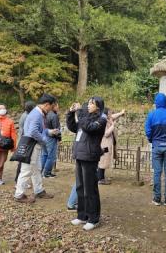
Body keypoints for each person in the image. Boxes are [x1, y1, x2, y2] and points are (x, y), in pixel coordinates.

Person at [67, 97, 107, 231]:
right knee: (80, 187)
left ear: (98, 106)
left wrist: (81, 112)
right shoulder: (85, 118)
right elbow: (73, 127)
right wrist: (71, 113)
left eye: (91, 103)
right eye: (88, 103)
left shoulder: (101, 119)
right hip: (79, 155)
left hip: (90, 156)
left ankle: (93, 218)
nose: (88, 105)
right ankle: (82, 215)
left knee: (90, 189)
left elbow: (88, 128)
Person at [14, 94, 58, 203]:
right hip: (32, 146)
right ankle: (19, 195)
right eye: (51, 107)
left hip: (33, 145)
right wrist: (44, 139)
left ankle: (39, 191)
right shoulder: (37, 115)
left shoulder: (37, 113)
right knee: (26, 170)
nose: (51, 110)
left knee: (36, 169)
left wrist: (48, 131)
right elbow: (33, 131)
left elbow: (36, 129)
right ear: (46, 105)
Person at [145, 93, 166, 206]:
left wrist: (152, 140)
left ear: (156, 103)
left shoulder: (152, 115)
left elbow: (148, 130)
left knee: (157, 173)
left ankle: (157, 198)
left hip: (156, 146)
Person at [98, 108, 125, 185]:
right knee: (103, 161)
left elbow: (114, 116)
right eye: (109, 113)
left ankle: (101, 177)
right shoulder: (103, 122)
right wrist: (113, 126)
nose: (111, 114)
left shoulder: (108, 119)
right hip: (104, 145)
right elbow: (106, 134)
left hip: (107, 144)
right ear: (106, 114)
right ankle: (100, 179)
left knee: (104, 160)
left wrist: (121, 113)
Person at [14, 100, 36, 186]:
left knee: (23, 162)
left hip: (23, 140)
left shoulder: (25, 115)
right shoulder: (27, 116)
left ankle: (19, 181)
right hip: (25, 141)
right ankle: (19, 182)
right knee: (23, 162)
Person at [41, 102, 61, 178]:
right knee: (51, 156)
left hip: (44, 136)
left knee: (44, 155)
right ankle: (47, 173)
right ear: (54, 106)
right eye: (57, 105)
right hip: (51, 137)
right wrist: (59, 138)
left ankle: (41, 171)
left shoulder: (45, 114)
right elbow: (56, 129)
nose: (58, 107)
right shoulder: (54, 116)